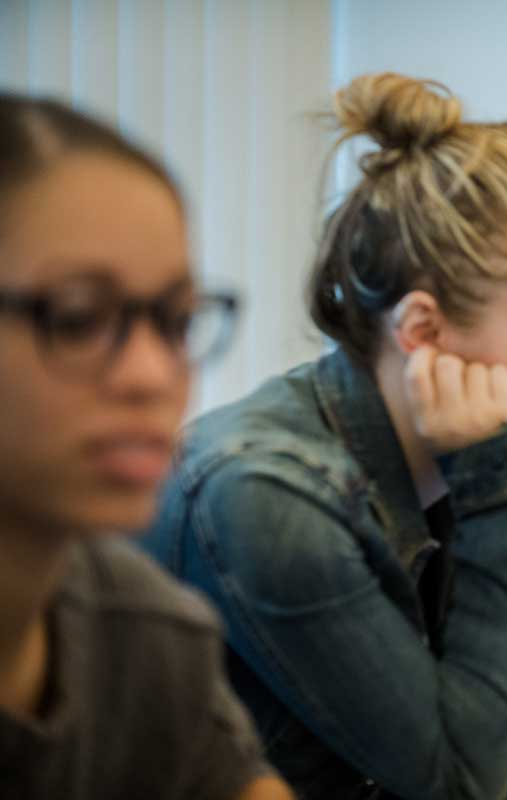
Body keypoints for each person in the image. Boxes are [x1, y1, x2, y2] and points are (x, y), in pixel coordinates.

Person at [139, 74, 507, 800]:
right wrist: (506, 492)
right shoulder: (265, 495)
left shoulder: (434, 454)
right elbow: (455, 780)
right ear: (423, 333)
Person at [0, 95, 291, 798]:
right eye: (76, 318)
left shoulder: (144, 628)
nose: (153, 375)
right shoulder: (264, 497)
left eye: (176, 321)